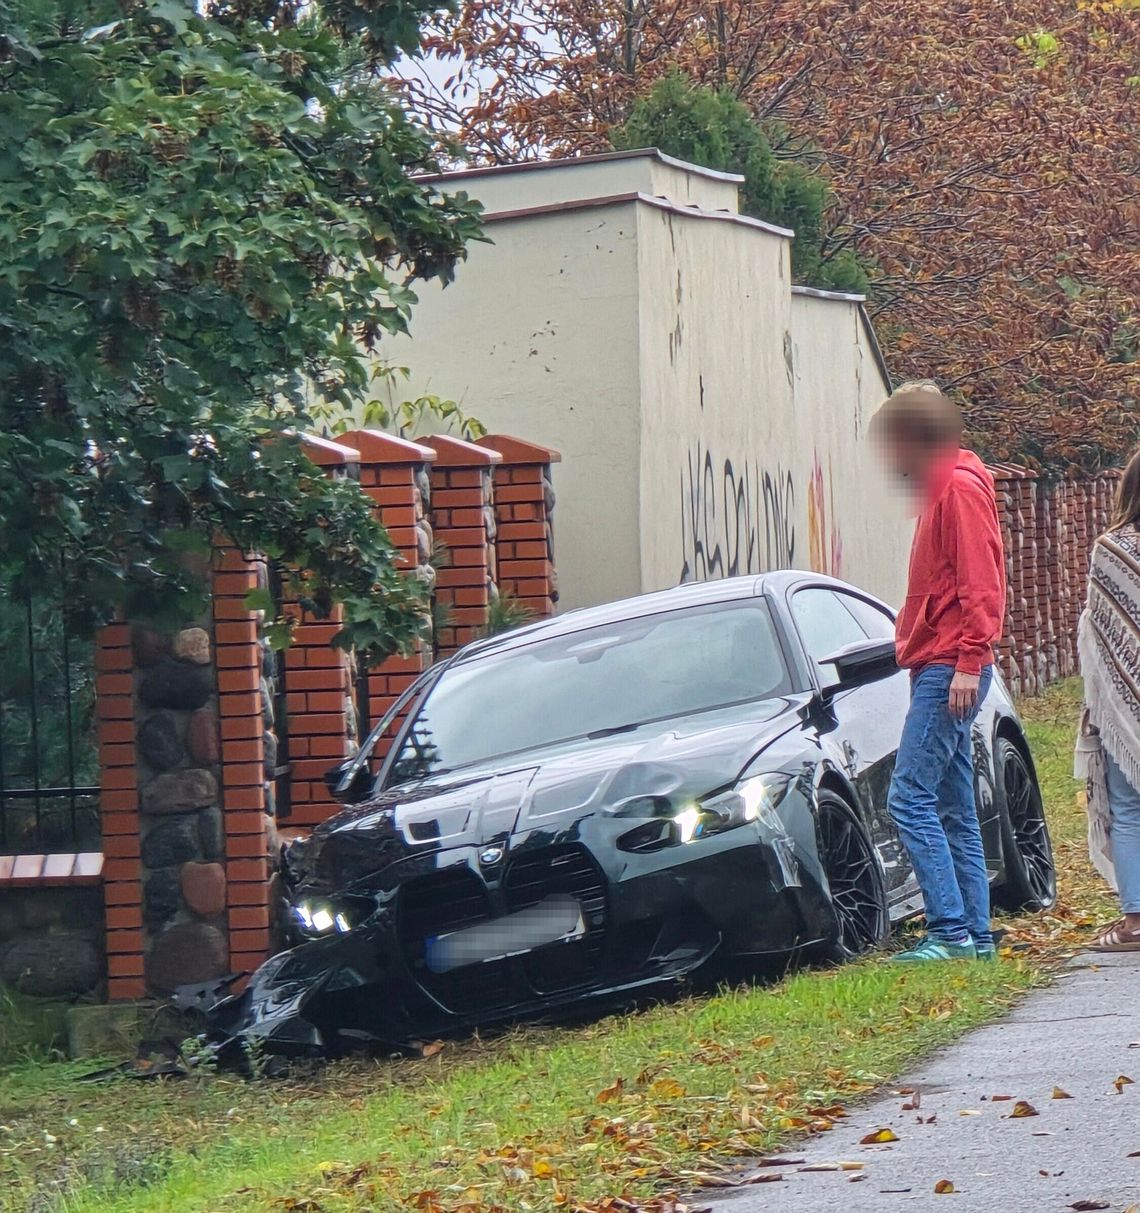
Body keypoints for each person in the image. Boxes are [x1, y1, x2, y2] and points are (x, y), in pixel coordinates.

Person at [871, 381, 1006, 962]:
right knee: (950, 804)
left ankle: (949, 932)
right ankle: (975, 937)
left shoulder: (956, 488)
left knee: (909, 797)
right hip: (943, 661)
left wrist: (969, 663)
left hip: (950, 666)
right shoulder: (944, 488)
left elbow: (981, 583)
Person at [1077, 446, 1140, 951]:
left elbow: (1098, 634)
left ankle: (1137, 922)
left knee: (1129, 807)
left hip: (1125, 704)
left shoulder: (1112, 551)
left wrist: (1103, 704)